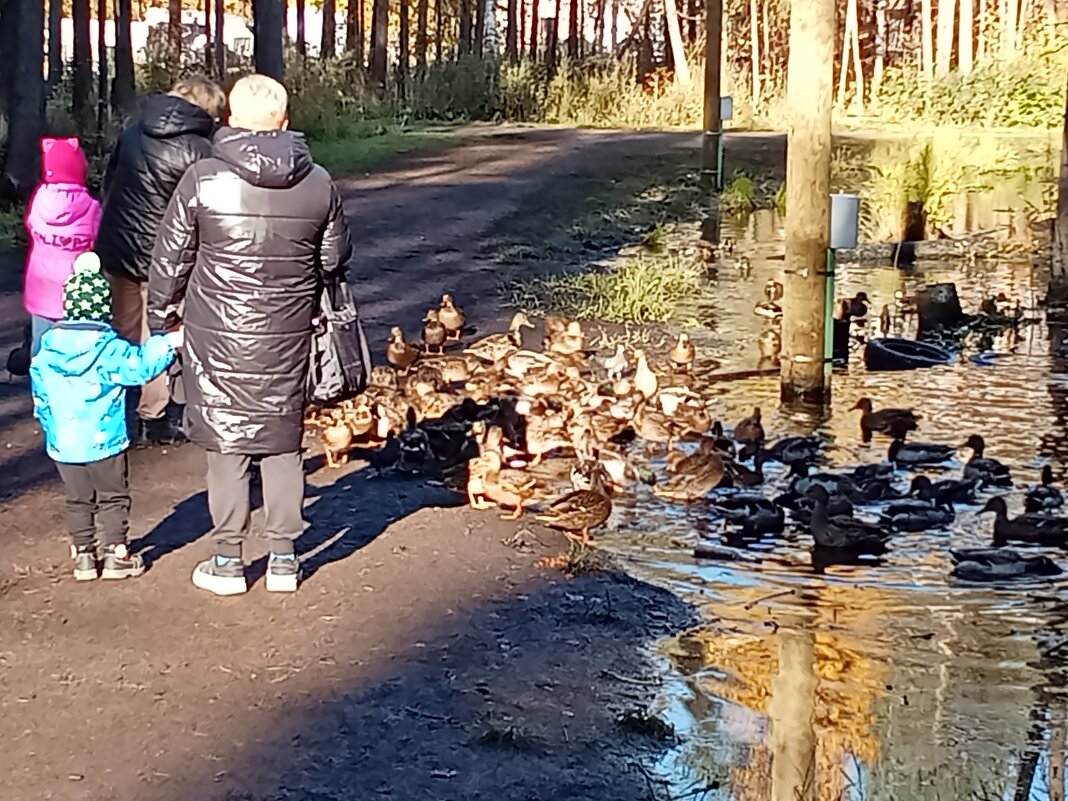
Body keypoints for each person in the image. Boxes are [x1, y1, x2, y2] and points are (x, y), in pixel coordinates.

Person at [148, 74, 353, 597]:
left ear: (231, 121)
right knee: (284, 442)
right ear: (285, 122)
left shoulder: (202, 178)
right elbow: (332, 259)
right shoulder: (320, 182)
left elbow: (170, 258)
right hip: (288, 329)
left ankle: (228, 560)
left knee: (229, 444)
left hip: (216, 331)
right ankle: (285, 559)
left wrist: (161, 315)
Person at [31, 253, 182, 581]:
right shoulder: (109, 348)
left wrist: (49, 427)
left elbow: (40, 398)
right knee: (113, 495)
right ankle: (117, 553)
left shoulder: (46, 351)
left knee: (77, 498)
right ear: (104, 308)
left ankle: (84, 555)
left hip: (64, 442)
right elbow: (141, 366)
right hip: (104, 439)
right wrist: (167, 343)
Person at [96, 76, 226, 446]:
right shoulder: (200, 149)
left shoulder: (133, 132)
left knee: (122, 329)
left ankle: (111, 408)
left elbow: (110, 183)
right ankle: (153, 416)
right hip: (165, 257)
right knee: (162, 332)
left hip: (118, 246)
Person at [23, 137, 102, 356]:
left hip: (41, 290)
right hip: (75, 291)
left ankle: (40, 387)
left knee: (40, 344)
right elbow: (96, 238)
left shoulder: (40, 199)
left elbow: (31, 225)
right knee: (75, 348)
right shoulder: (90, 206)